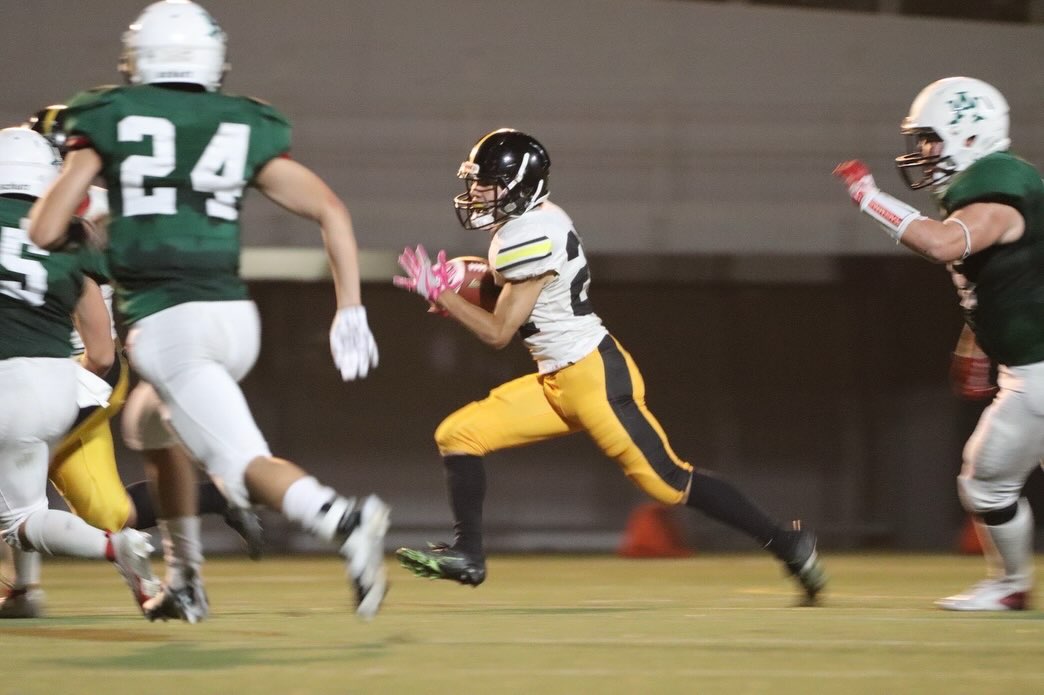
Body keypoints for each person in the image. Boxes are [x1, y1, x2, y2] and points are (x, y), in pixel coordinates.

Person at [29, 0, 388, 623]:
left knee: (240, 468)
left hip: (172, 327)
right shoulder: (241, 122)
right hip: (233, 318)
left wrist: (84, 232)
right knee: (149, 427)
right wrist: (349, 308)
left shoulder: (110, 115)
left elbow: (43, 227)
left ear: (139, 60)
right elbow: (330, 209)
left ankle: (342, 519)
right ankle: (186, 577)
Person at [392, 128, 827, 605]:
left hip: (593, 377)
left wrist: (445, 295)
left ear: (519, 185)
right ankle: (469, 555)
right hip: (557, 379)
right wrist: (464, 292)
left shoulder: (528, 234)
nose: (476, 192)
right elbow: (520, 302)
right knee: (459, 435)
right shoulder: (530, 223)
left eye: (487, 182)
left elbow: (498, 333)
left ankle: (788, 544)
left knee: (668, 483)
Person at [0, 106, 265, 620]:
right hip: (71, 369)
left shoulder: (90, 209)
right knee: (104, 510)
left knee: (21, 477)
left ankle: (25, 588)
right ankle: (215, 502)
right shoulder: (82, 216)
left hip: (78, 366)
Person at [833, 76, 1043, 611]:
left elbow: (943, 242)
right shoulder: (994, 185)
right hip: (1028, 370)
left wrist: (870, 198)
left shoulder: (998, 190)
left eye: (930, 138)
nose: (924, 152)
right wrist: (979, 337)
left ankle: (1010, 586)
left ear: (968, 135)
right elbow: (1006, 280)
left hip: (1039, 373)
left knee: (987, 481)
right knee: (987, 481)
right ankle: (1010, 586)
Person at [0, 126, 159, 615]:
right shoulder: (69, 234)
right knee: (24, 516)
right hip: (55, 381)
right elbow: (102, 351)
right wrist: (74, 395)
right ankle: (115, 547)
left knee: (18, 518)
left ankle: (26, 590)